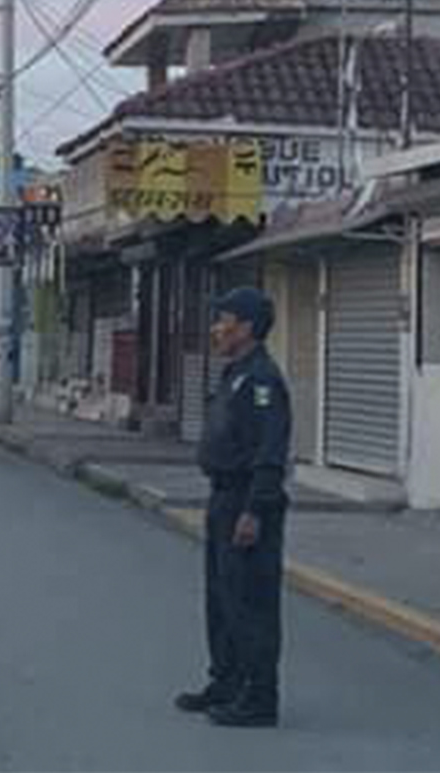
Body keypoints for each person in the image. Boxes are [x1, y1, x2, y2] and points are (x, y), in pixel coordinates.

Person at [176, 286, 292, 728]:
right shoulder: (235, 373)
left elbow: (269, 450)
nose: (215, 328)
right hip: (223, 496)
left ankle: (260, 696)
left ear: (246, 327)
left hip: (247, 500)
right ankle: (226, 681)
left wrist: (255, 510)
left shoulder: (262, 379)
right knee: (222, 598)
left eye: (223, 319)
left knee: (251, 603)